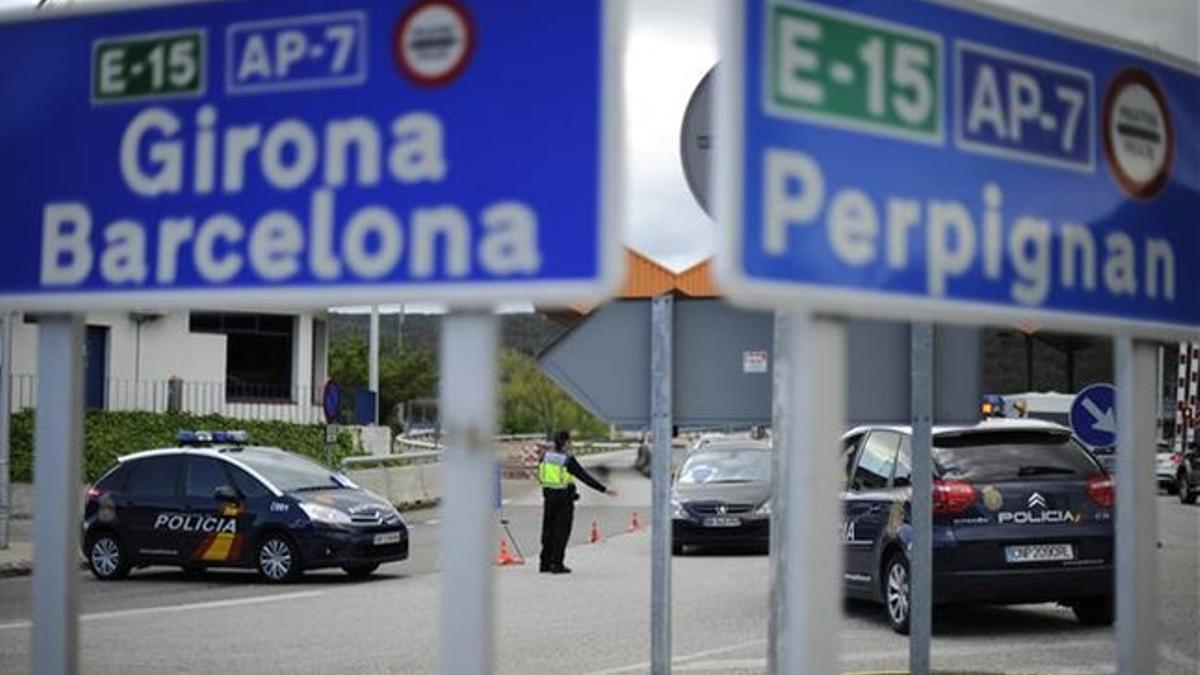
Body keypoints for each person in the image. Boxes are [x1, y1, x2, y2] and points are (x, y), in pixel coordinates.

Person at [538, 430, 617, 573]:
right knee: (561, 532)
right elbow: (584, 476)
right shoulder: (567, 460)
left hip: (548, 497)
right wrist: (603, 489)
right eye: (570, 441)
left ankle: (544, 563)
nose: (571, 444)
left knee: (548, 530)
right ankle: (557, 564)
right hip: (564, 499)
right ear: (566, 442)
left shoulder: (545, 456)